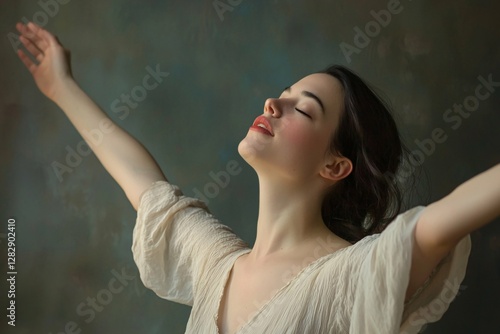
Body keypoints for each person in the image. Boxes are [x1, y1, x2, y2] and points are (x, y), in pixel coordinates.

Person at [15, 21, 499, 334]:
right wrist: (61, 86)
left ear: (334, 166)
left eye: (303, 110)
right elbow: (144, 184)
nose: (274, 103)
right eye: (284, 93)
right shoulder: (216, 265)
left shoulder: (351, 276)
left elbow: (445, 219)